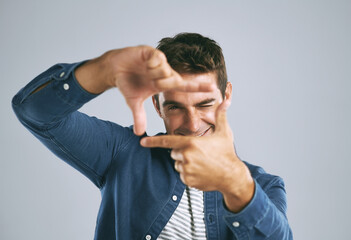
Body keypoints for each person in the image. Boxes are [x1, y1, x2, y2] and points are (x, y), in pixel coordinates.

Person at [12, 33, 293, 239]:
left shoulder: (263, 186)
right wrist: (104, 70)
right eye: (175, 107)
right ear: (157, 105)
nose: (193, 124)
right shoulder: (123, 153)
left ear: (226, 95)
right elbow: (34, 111)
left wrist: (235, 183)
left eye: (205, 104)